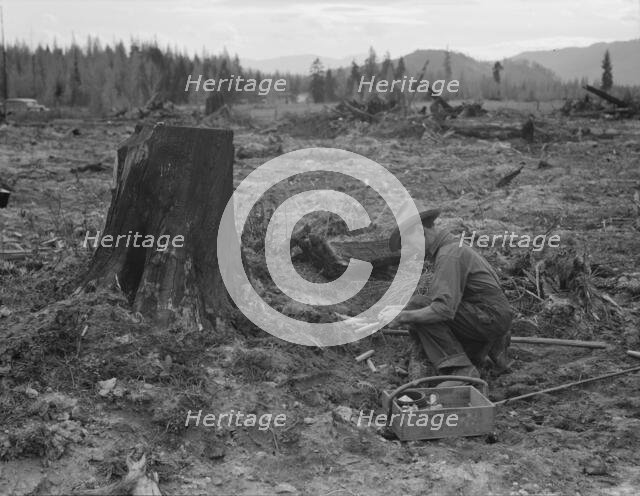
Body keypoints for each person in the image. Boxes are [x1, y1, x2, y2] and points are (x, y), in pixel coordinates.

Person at [380, 209, 512, 384]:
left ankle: (461, 370)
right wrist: (402, 310)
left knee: (418, 307)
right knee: (417, 305)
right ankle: (480, 355)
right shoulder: (454, 247)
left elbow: (443, 310)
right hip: (491, 317)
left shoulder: (449, 254)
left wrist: (404, 316)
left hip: (489, 319)